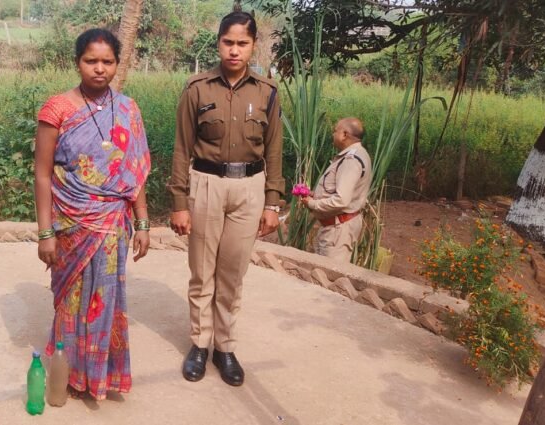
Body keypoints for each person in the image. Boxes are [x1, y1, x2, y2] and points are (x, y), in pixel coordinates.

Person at [33, 28, 151, 401]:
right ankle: (68, 376)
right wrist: (45, 233)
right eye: (91, 61)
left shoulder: (129, 109)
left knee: (106, 302)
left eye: (107, 61)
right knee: (70, 302)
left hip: (114, 224)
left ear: (117, 63)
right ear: (77, 62)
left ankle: (100, 377)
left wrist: (143, 222)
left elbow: (135, 172)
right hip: (70, 223)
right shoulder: (57, 109)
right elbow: (42, 174)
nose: (99, 69)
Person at [169, 11, 284, 387]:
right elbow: (182, 148)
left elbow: (274, 150)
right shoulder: (197, 88)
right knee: (202, 272)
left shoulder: (267, 92)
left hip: (249, 188)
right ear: (218, 43)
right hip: (206, 184)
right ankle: (199, 345)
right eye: (228, 42)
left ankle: (225, 347)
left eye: (242, 43)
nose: (235, 50)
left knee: (232, 274)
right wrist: (179, 203)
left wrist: (272, 203)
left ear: (253, 46)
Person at [300, 117, 372, 263]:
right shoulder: (357, 154)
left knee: (329, 272)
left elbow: (341, 200)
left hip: (338, 231)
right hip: (337, 228)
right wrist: (315, 195)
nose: (333, 134)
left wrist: (312, 203)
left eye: (335, 131)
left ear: (344, 134)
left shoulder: (351, 160)